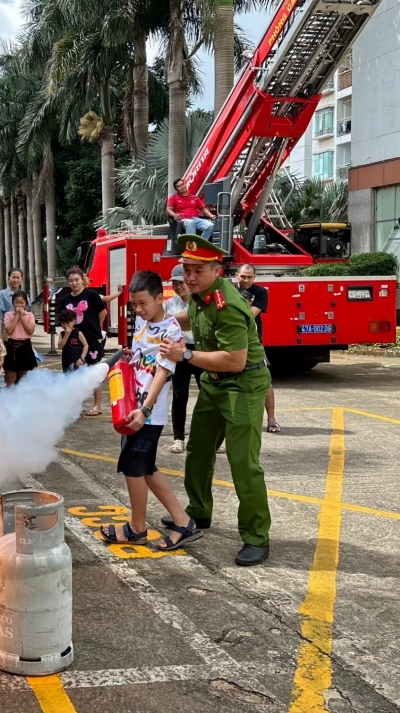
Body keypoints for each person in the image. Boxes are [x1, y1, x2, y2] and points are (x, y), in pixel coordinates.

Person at [159, 235, 273, 567]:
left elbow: (235, 361)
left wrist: (186, 354)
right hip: (215, 383)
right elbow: (192, 320)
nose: (190, 277)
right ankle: (198, 511)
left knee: (243, 463)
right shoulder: (199, 296)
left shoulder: (231, 305)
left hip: (245, 384)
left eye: (198, 270)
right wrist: (160, 320)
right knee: (199, 448)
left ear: (216, 269)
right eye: (187, 269)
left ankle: (256, 536)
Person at [100, 269, 203, 551]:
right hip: (132, 409)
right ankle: (183, 522)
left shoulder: (171, 329)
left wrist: (145, 409)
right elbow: (142, 361)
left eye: (143, 303)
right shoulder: (142, 325)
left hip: (147, 414)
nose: (138, 309)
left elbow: (162, 371)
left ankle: (136, 529)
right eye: (134, 304)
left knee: (134, 467)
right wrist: (130, 357)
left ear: (160, 298)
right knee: (145, 468)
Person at [55, 266, 107, 415]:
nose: (74, 283)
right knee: (75, 373)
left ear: (83, 279)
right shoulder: (66, 299)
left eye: (76, 280)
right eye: (70, 281)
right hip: (73, 341)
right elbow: (63, 318)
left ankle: (97, 405)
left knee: (94, 371)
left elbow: (103, 312)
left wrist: (95, 327)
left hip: (92, 338)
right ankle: (76, 406)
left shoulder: (91, 295)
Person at [164, 264, 201, 454]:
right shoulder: (170, 305)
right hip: (180, 352)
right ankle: (179, 438)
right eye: (175, 284)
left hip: (201, 351)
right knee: (180, 395)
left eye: (181, 283)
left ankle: (213, 438)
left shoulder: (200, 301)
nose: (178, 287)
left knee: (208, 395)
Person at [236, 264, 278, 434]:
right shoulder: (228, 290)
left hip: (254, 341)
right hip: (232, 341)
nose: (246, 280)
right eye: (243, 276)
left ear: (254, 277)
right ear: (236, 275)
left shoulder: (261, 292)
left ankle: (271, 420)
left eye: (249, 277)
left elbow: (249, 315)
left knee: (264, 380)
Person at [2, 290, 37, 386]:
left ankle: (24, 398)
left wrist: (22, 318)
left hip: (25, 345)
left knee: (25, 377)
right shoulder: (8, 315)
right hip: (12, 346)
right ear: (13, 303)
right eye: (17, 302)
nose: (19, 305)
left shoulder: (30, 315)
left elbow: (30, 331)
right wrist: (16, 316)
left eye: (22, 303)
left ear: (26, 303)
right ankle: (10, 397)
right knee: (10, 377)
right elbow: (9, 330)